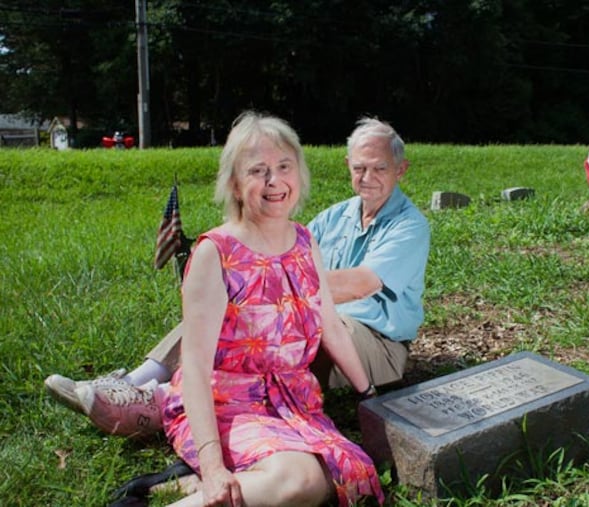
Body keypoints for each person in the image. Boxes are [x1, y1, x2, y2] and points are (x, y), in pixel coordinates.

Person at [44, 115, 431, 439]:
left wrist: (259, 288)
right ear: (348, 166)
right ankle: (135, 381)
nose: (368, 177)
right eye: (359, 167)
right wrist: (240, 286)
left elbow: (360, 283)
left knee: (262, 313)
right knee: (222, 309)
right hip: (320, 315)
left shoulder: (409, 226)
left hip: (375, 341)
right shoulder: (335, 216)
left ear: (401, 169)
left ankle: (157, 403)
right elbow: (286, 254)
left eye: (380, 168)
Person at [161, 111, 383, 506]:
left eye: (284, 166)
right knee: (298, 480)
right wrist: (213, 468)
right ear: (233, 182)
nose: (274, 181)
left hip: (295, 403)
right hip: (226, 404)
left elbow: (330, 325)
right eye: (258, 171)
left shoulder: (304, 242)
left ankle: (194, 485)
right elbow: (194, 365)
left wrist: (371, 393)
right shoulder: (216, 253)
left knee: (344, 470)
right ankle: (203, 489)